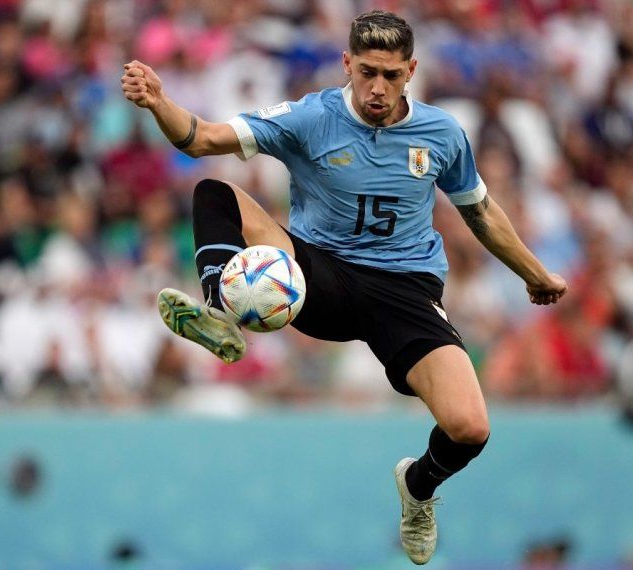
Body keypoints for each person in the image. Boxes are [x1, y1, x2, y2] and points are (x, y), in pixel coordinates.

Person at [120, 10, 567, 565]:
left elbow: (481, 213)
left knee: (470, 427)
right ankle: (218, 311)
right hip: (318, 273)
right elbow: (202, 138)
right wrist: (160, 103)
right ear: (347, 64)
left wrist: (534, 273)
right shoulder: (311, 117)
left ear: (412, 71)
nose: (378, 87)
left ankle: (419, 488)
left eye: (392, 75)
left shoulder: (442, 133)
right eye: (368, 73)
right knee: (215, 193)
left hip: (405, 289)